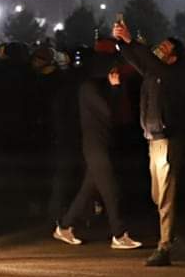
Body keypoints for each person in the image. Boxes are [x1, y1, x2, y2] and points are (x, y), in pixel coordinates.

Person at [112, 23, 185, 267]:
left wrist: (131, 41)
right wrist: (123, 43)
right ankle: (170, 234)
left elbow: (147, 60)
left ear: (173, 57)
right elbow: (139, 60)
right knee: (158, 195)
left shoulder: (172, 75)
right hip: (154, 138)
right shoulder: (153, 72)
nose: (159, 49)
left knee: (165, 194)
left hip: (168, 139)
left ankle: (164, 246)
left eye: (165, 48)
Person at [54, 49, 143, 250]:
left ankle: (65, 226)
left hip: (100, 143)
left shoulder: (95, 85)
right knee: (111, 191)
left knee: (88, 189)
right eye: (112, 68)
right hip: (95, 145)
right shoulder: (89, 88)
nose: (116, 72)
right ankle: (119, 234)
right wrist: (115, 88)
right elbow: (109, 112)